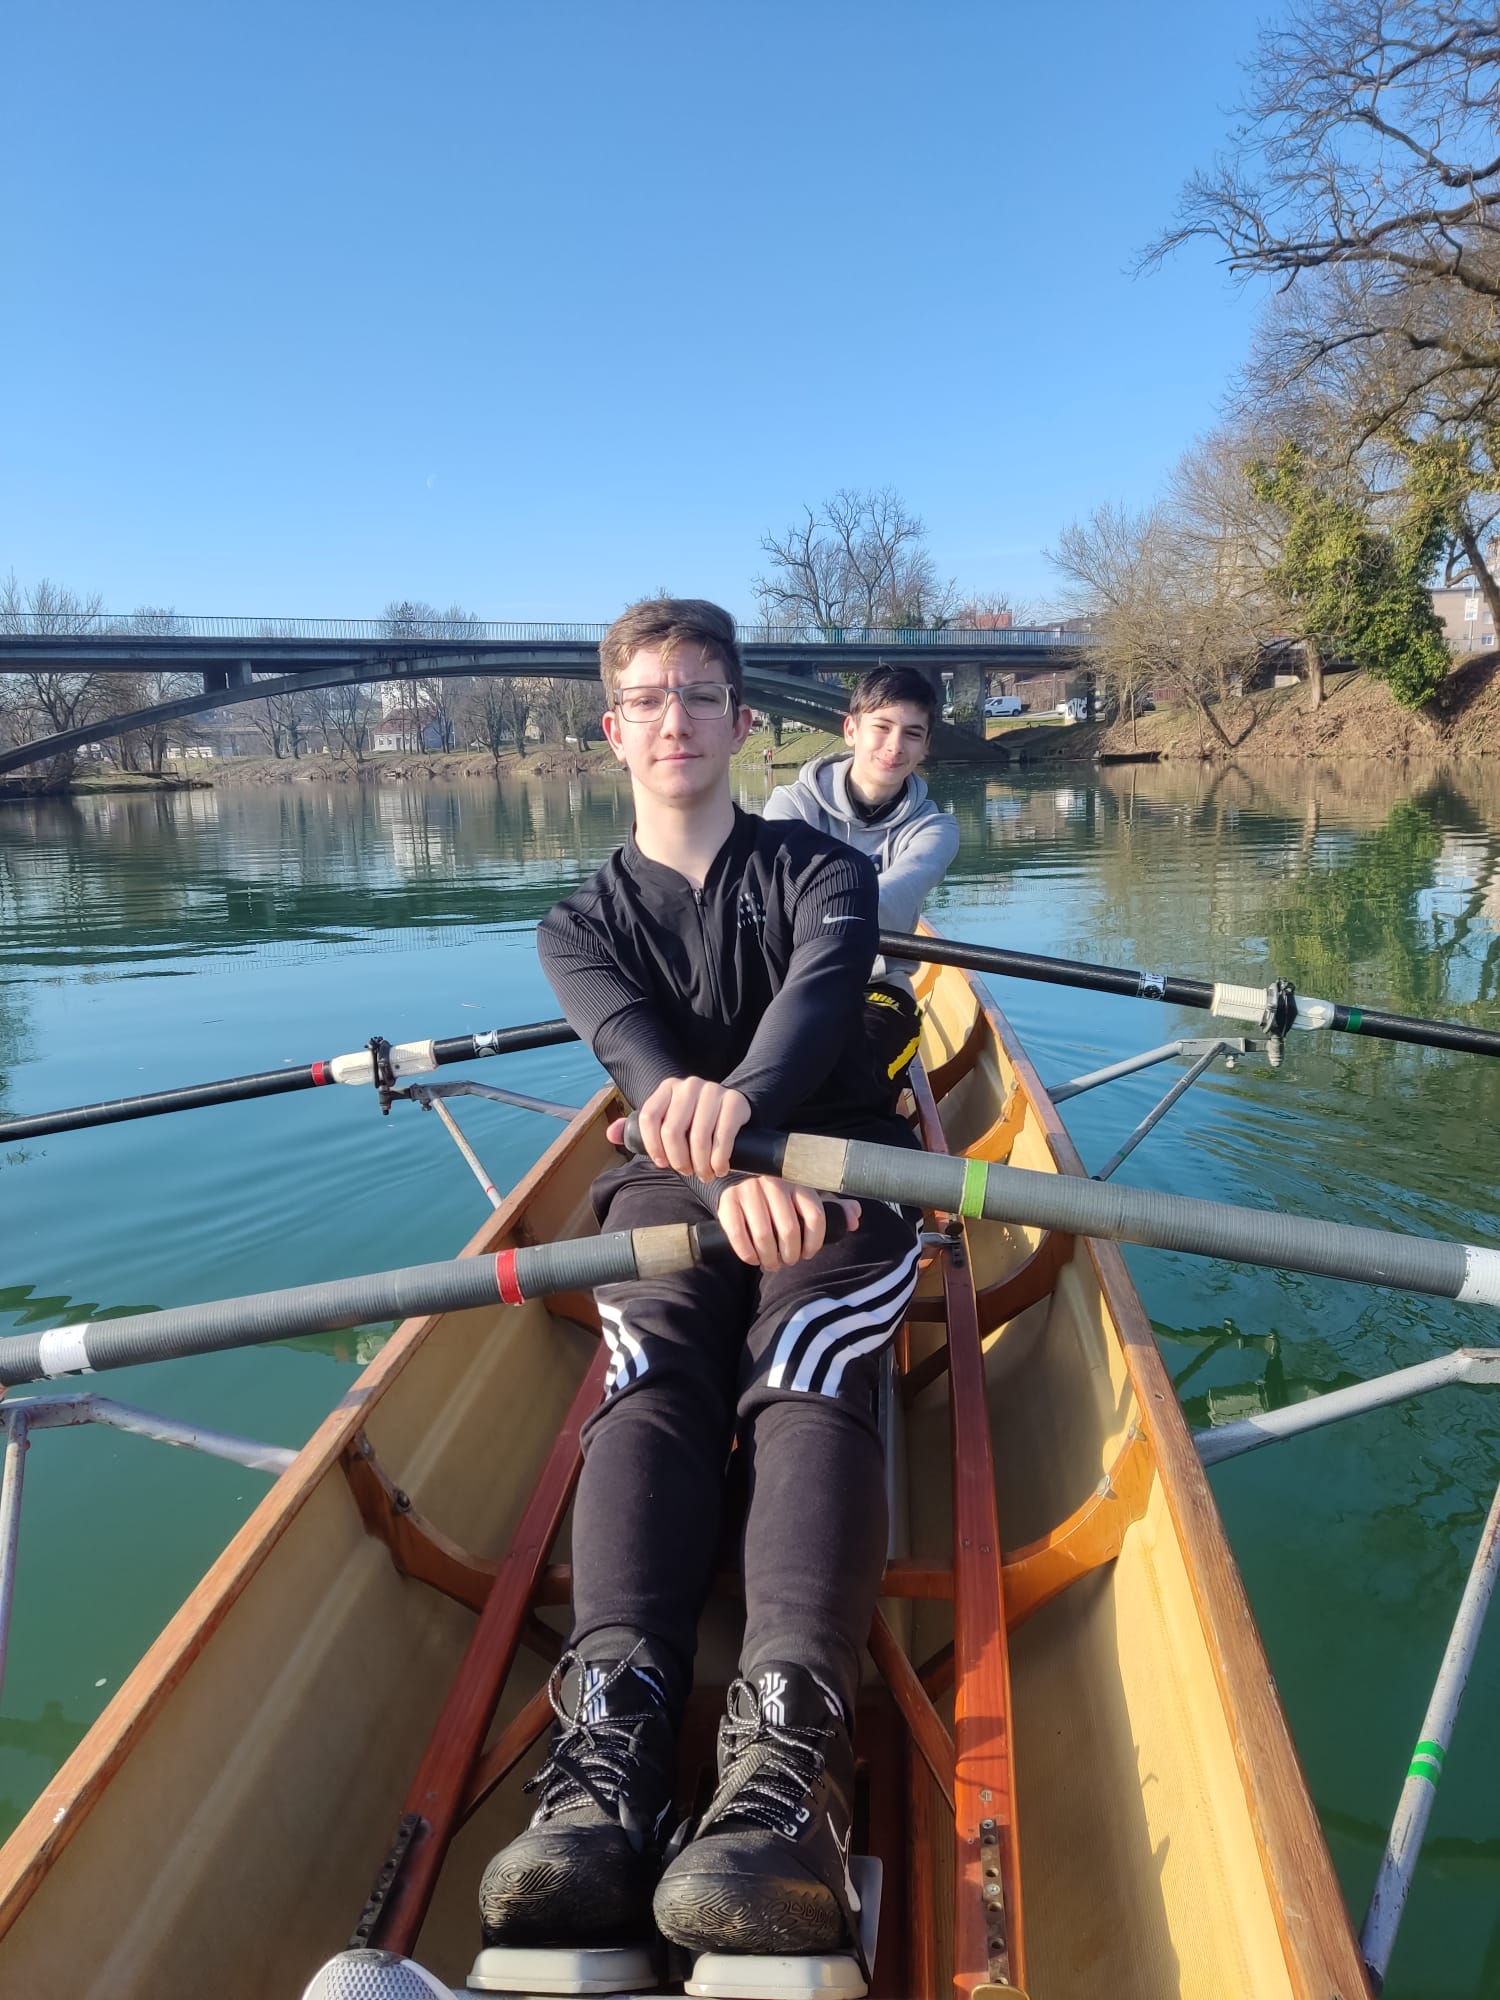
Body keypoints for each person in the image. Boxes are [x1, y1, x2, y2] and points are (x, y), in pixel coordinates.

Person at [478, 598, 921, 1966]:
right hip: (682, 1188)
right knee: (652, 1367)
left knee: (803, 1357)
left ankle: (790, 1763)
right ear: (613, 730)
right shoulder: (575, 927)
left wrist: (755, 1143)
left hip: (837, 1168)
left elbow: (812, 1018)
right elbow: (641, 1066)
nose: (675, 718)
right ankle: (610, 1748)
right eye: (650, 698)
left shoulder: (826, 874)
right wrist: (729, 1178)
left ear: (741, 721)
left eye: (700, 694)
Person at [765, 664, 959, 1097]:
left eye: (912, 733)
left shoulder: (935, 830)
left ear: (926, 746)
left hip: (878, 986)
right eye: (882, 727)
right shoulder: (790, 807)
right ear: (851, 730)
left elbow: (896, 893)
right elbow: (776, 898)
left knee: (851, 1075)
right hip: (789, 983)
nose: (895, 745)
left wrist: (822, 911)